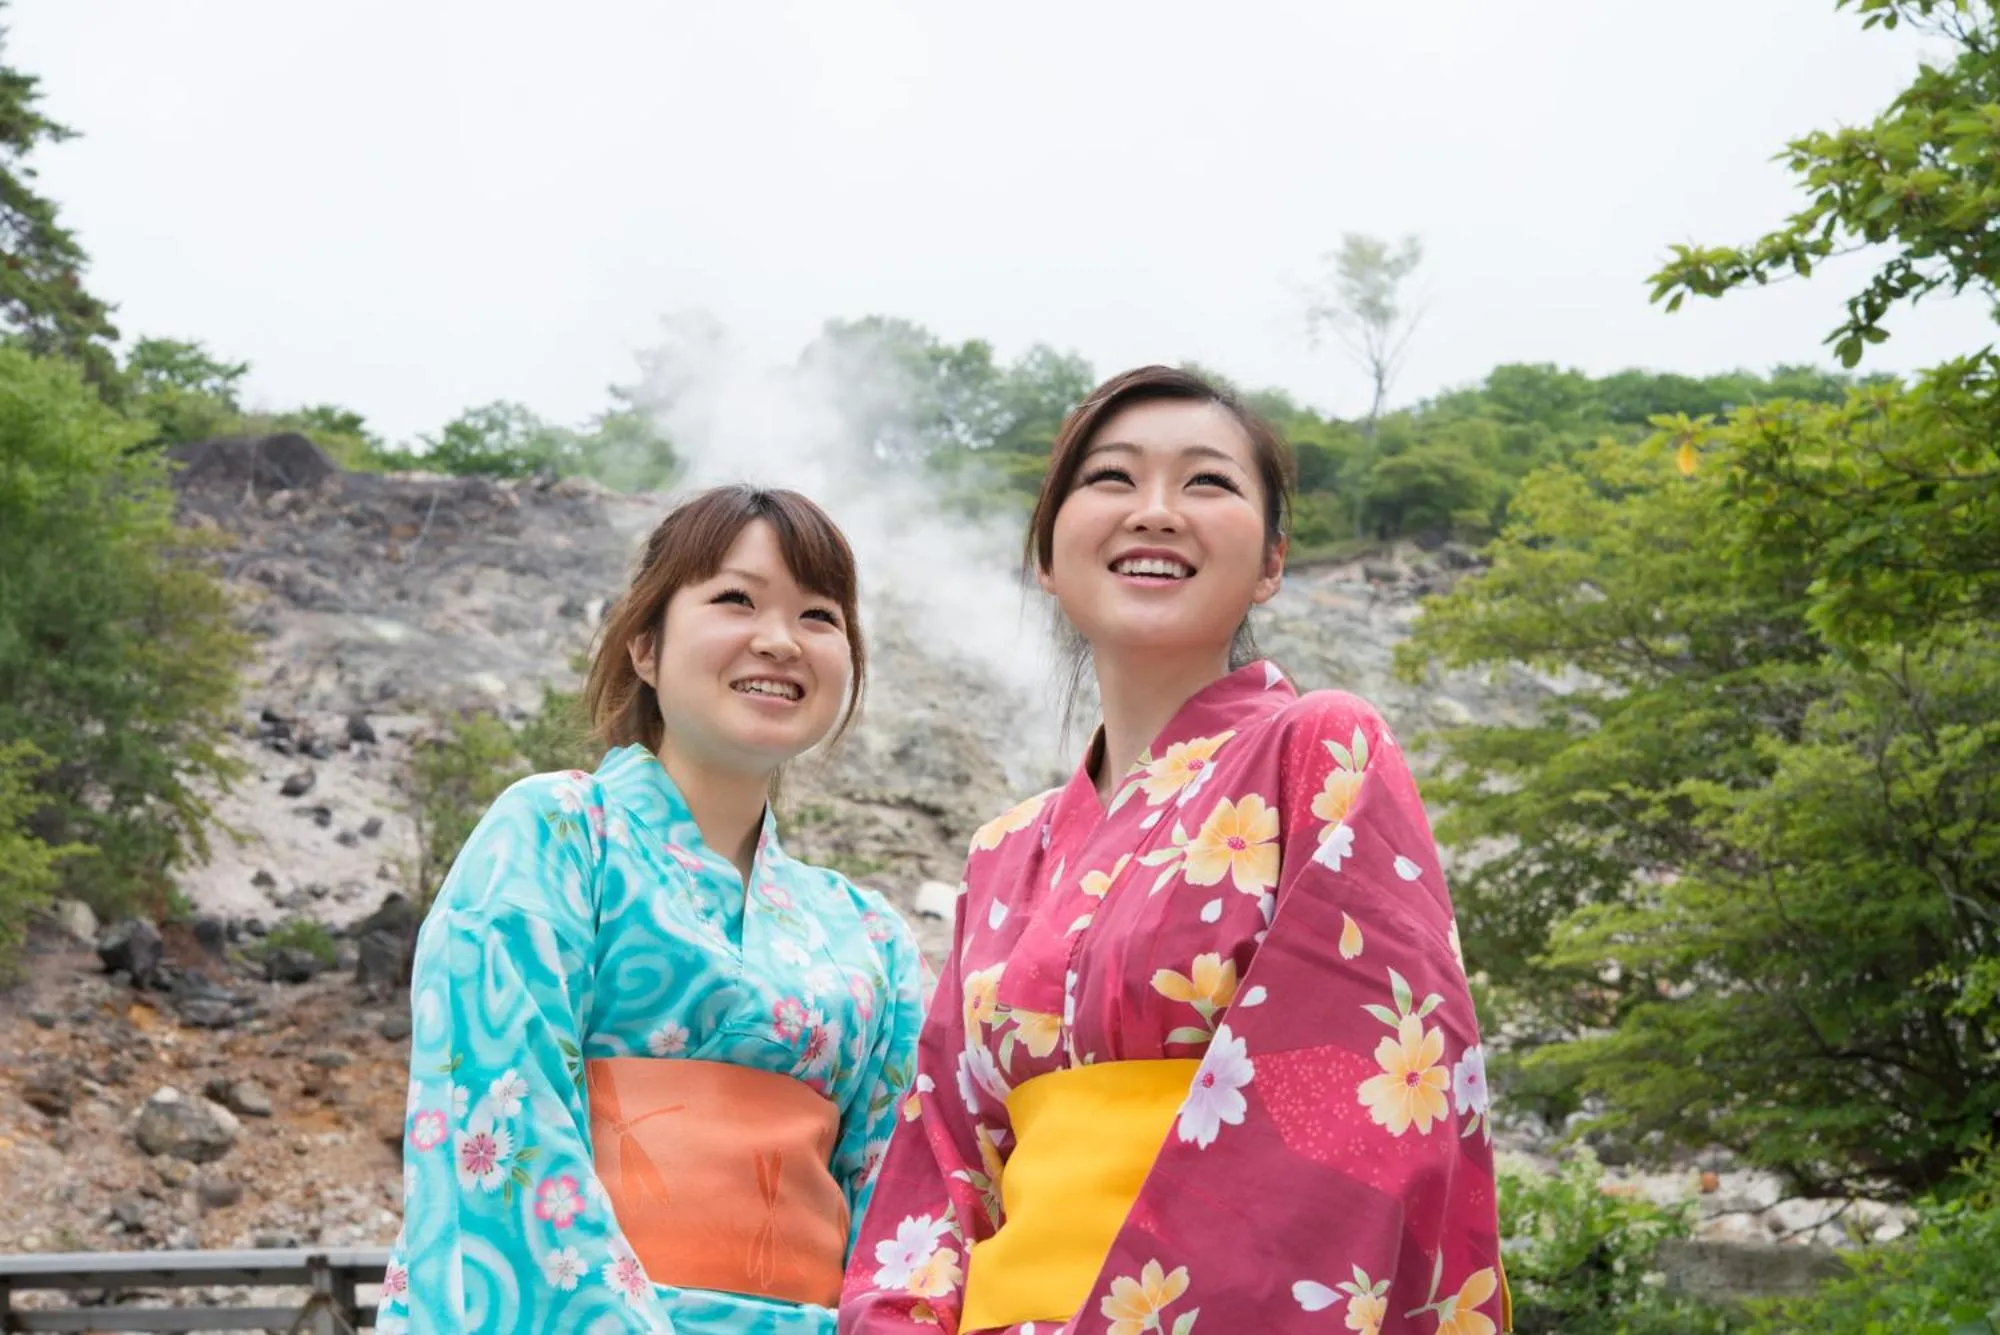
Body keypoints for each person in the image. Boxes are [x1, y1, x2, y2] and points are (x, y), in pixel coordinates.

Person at [841, 368, 1507, 1335]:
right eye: (1111, 478)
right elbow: (940, 1147)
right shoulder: (1003, 851)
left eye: (1207, 482)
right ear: (1048, 556)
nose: (1155, 511)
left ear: (1272, 562)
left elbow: (1363, 1114)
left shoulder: (1319, 749)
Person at [380, 485, 927, 1335]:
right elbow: (498, 1117)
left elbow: (902, 1211)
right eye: (735, 599)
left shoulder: (873, 936)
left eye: (819, 615)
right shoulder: (557, 833)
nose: (779, 640)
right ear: (644, 643)